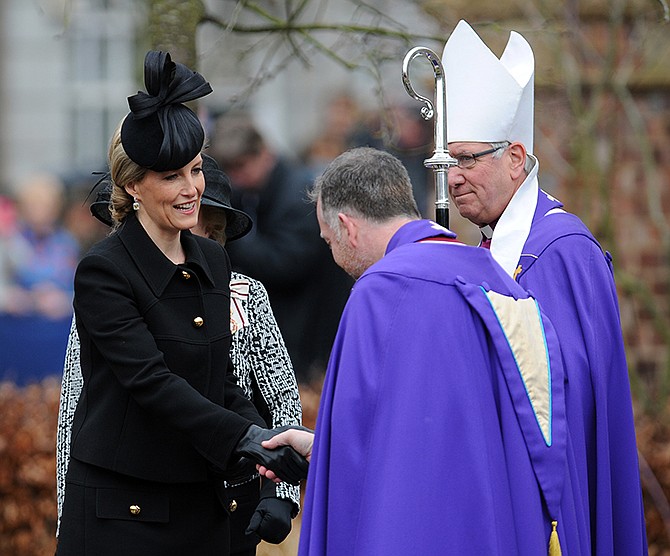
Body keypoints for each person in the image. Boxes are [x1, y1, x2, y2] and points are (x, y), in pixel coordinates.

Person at [262, 146, 590, 554]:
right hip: (493, 526)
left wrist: (329, 455)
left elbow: (357, 449)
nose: (334, 254)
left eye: (329, 241)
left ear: (346, 226)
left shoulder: (377, 293)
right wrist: (319, 445)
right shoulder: (496, 278)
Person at [56, 51, 307, 556]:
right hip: (122, 512)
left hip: (201, 503)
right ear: (132, 186)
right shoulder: (103, 271)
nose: (192, 189)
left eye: (194, 170)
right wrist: (245, 439)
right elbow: (151, 382)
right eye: (172, 176)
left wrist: (274, 445)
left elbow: (220, 380)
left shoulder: (211, 259)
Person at [441, 20, 647, 555]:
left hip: (551, 498)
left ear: (515, 158)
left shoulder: (560, 249)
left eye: (467, 159)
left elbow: (569, 388)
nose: (454, 177)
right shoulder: (487, 248)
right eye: (448, 161)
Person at [209, 111, 353, 385]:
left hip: (307, 334)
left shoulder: (298, 193)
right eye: (230, 170)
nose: (236, 178)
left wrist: (230, 232)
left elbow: (285, 264)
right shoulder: (255, 190)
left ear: (264, 153)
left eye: (241, 166)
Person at [0, 173, 79, 384]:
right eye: (33, 205)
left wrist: (63, 301)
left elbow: (80, 291)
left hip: (56, 335)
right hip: (17, 333)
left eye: (45, 205)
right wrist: (12, 298)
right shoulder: (10, 243)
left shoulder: (66, 243)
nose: (40, 212)